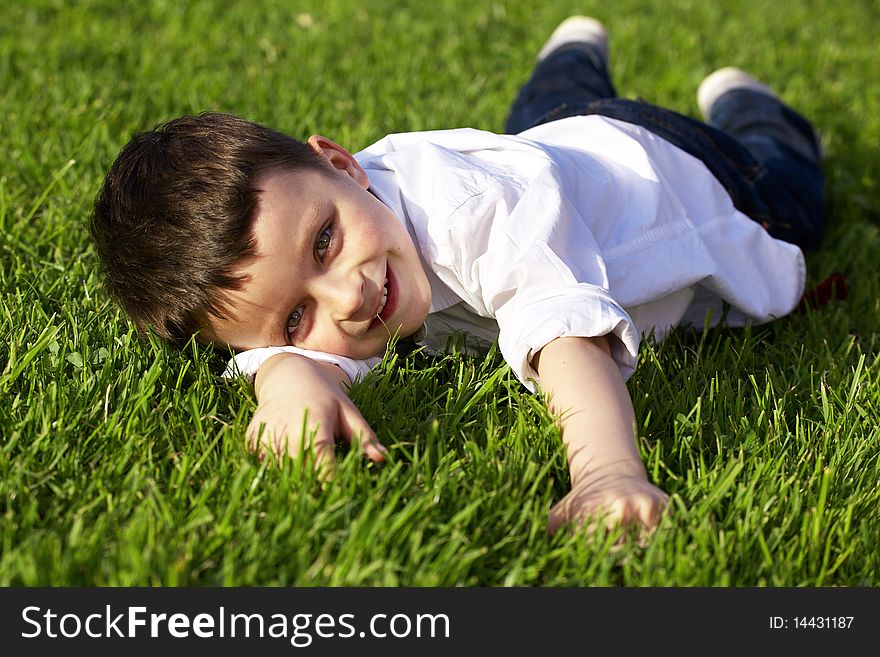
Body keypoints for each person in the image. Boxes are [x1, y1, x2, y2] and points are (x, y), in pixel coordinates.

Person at [89, 17, 825, 534]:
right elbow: (266, 344)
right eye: (294, 318)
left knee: (791, 187)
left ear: (344, 165)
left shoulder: (473, 211)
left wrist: (605, 472)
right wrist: (287, 375)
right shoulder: (330, 237)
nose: (348, 295)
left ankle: (743, 102)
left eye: (324, 241)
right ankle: (570, 56)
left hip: (674, 168)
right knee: (545, 114)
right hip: (556, 146)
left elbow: (565, 333)